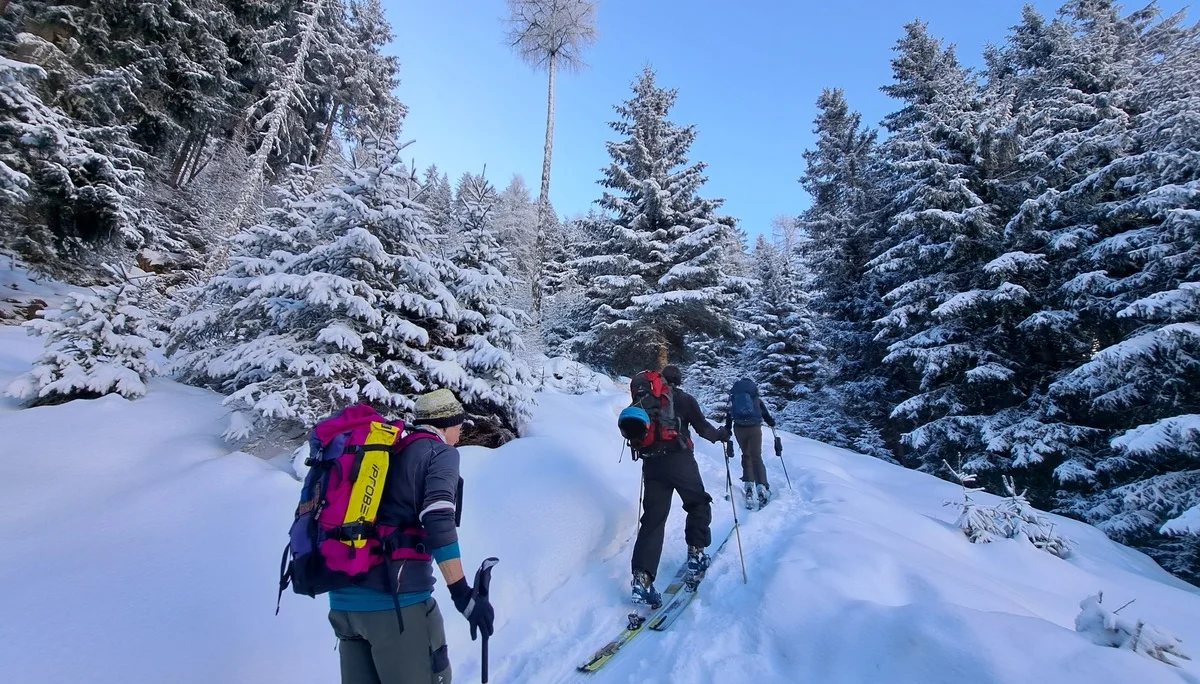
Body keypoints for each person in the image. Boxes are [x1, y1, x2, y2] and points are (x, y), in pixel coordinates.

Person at [327, 389, 494, 684]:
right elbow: (438, 518)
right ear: (444, 425)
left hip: (344, 604)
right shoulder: (440, 453)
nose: (459, 433)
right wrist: (462, 595)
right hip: (396, 607)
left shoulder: (386, 452)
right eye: (458, 425)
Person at [630, 364, 731, 605]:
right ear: (679, 380)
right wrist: (722, 435)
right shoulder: (684, 399)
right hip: (679, 460)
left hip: (651, 464)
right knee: (698, 503)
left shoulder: (647, 399)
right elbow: (704, 429)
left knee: (653, 519)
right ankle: (696, 554)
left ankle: (641, 579)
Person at [725, 377, 776, 508]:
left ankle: (748, 485)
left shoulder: (735, 398)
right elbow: (764, 413)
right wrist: (771, 423)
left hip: (739, 428)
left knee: (746, 454)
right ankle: (762, 487)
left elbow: (729, 414)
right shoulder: (755, 398)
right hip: (754, 428)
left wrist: (727, 430)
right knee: (756, 457)